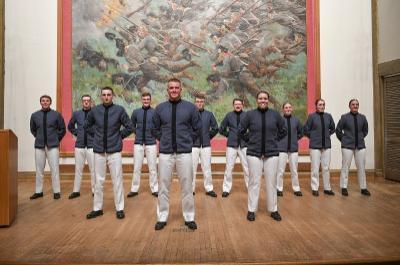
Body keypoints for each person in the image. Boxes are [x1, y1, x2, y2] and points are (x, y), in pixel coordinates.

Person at [152, 78, 201, 230]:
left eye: (176, 88)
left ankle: (189, 216)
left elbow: (197, 128)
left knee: (187, 186)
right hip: (166, 153)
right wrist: (164, 139)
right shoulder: (160, 108)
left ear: (181, 89)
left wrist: (187, 140)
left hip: (184, 153)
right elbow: (154, 129)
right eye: (171, 88)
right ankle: (162, 217)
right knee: (163, 186)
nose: (174, 90)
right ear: (167, 90)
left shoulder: (191, 108)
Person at [85, 87, 133, 220]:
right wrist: (97, 136)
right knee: (98, 181)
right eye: (104, 95)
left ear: (113, 96)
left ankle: (120, 208)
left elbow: (130, 126)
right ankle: (97, 208)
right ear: (101, 96)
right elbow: (87, 126)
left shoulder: (119, 110)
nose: (106, 97)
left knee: (117, 179)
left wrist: (118, 136)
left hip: (114, 150)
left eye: (109, 95)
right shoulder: (95, 111)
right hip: (98, 150)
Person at [239, 91, 286, 221]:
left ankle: (273, 210)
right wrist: (251, 140)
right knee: (254, 182)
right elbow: (241, 130)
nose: (263, 100)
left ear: (268, 100)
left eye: (265, 98)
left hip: (272, 153)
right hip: (254, 153)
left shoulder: (275, 115)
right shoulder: (250, 115)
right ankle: (251, 210)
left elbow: (283, 130)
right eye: (260, 98)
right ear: (257, 100)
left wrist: (273, 140)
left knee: (271, 182)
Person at [29, 95, 66, 200]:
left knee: (54, 169)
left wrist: (55, 138)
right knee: (39, 170)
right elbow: (33, 129)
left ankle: (56, 191)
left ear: (50, 102)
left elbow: (62, 129)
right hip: (39, 146)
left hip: (53, 146)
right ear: (40, 102)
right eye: (43, 101)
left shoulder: (56, 115)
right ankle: (38, 191)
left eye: (47, 101)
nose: (45, 102)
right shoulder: (35, 115)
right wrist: (39, 137)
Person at [336, 99, 371, 196]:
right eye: (353, 104)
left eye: (356, 104)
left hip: (360, 146)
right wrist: (344, 139)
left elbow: (365, 130)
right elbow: (338, 130)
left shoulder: (363, 118)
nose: (355, 106)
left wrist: (360, 138)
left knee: (361, 167)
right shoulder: (344, 117)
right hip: (347, 146)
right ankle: (344, 187)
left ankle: (363, 188)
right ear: (349, 106)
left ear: (358, 106)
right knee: (345, 167)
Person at [127, 92, 159, 198]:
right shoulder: (136, 112)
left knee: (153, 168)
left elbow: (158, 126)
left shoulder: (155, 112)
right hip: (138, 143)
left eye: (148, 99)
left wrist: (153, 134)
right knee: (136, 167)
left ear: (150, 100)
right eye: (144, 99)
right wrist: (137, 132)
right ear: (141, 100)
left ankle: (155, 189)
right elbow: (131, 125)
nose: (146, 101)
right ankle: (134, 189)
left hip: (151, 143)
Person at [304, 99, 335, 196]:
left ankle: (327, 188)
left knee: (326, 168)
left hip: (326, 145)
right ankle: (314, 188)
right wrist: (313, 137)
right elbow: (306, 130)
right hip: (315, 146)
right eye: (320, 104)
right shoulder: (311, 117)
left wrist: (326, 135)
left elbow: (333, 128)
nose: (322, 106)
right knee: (315, 168)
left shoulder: (328, 116)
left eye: (323, 105)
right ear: (316, 106)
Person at [219, 98, 249, 197]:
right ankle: (226, 189)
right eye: (236, 104)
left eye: (239, 104)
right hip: (231, 145)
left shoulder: (247, 116)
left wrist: (247, 137)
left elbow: (253, 129)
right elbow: (221, 129)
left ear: (242, 105)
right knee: (229, 168)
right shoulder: (229, 115)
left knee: (247, 168)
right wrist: (230, 135)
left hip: (244, 145)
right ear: (233, 105)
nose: (238, 105)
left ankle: (250, 188)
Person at [67, 94, 95, 199]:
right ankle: (76, 191)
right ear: (82, 102)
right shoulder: (76, 114)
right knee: (78, 169)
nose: (86, 102)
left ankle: (94, 190)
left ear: (91, 102)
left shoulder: (95, 113)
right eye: (84, 101)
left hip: (92, 146)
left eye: (88, 100)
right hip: (79, 146)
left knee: (93, 170)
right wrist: (77, 133)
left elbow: (99, 127)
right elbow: (70, 126)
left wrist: (95, 135)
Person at [192, 94, 219, 197]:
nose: (200, 103)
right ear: (195, 102)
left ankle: (209, 188)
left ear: (204, 103)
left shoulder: (209, 114)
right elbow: (185, 129)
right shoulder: (190, 114)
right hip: (193, 146)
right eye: (198, 101)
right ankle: (191, 189)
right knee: (191, 169)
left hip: (206, 146)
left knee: (207, 168)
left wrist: (208, 137)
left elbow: (215, 128)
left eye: (201, 102)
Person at [276, 102, 304, 197]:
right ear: (283, 109)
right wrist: (279, 141)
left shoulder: (296, 120)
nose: (288, 109)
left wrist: (295, 139)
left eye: (289, 107)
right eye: (286, 107)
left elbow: (301, 132)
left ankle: (296, 189)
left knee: (294, 170)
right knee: (280, 170)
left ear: (292, 109)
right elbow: (275, 133)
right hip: (281, 149)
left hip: (293, 149)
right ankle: (279, 188)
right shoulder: (279, 120)